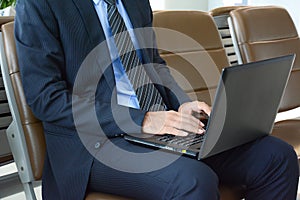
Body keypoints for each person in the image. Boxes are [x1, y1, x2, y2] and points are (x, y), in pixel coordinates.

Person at [14, 0, 299, 199]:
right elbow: (46, 98)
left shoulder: (135, 2)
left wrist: (182, 104)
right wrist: (143, 120)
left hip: (160, 127)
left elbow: (154, 63)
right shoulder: (40, 4)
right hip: (94, 143)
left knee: (276, 157)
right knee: (193, 181)